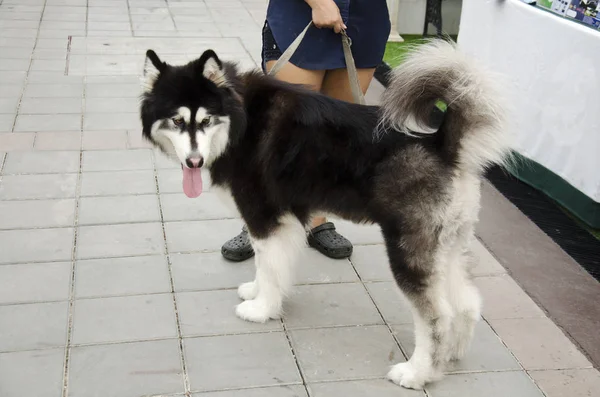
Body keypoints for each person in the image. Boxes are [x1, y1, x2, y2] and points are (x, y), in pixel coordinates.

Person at [221, 0, 391, 262]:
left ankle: (316, 218)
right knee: (281, 131)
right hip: (299, 13)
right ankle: (260, 217)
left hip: (363, 16)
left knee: (335, 134)